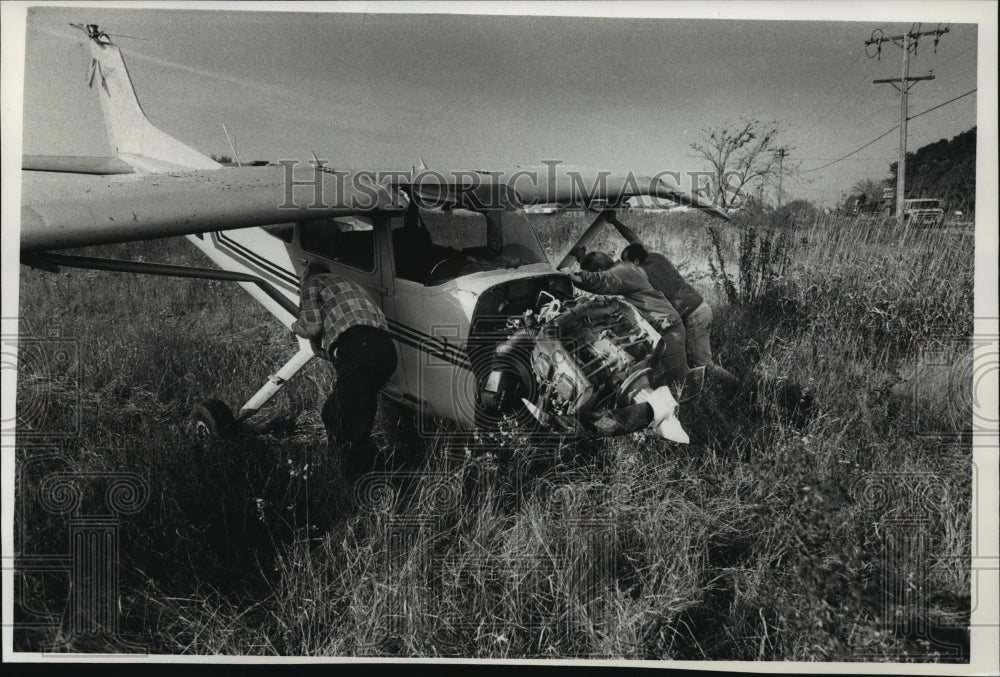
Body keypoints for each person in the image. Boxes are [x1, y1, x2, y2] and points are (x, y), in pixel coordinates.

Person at [291, 261, 399, 485]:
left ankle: (370, 483)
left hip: (357, 350)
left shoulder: (312, 282)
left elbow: (310, 327)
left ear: (305, 278)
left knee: (351, 428)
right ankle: (340, 460)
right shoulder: (349, 284)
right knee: (333, 411)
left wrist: (295, 325)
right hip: (385, 351)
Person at [614, 223, 739, 389]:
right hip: (700, 307)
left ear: (636, 261)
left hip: (693, 315)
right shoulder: (655, 255)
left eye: (627, 264)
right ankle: (708, 389)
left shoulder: (641, 273)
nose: (627, 268)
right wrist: (615, 222)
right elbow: (633, 239)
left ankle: (737, 386)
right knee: (692, 359)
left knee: (704, 363)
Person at [562, 250, 689, 384]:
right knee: (661, 378)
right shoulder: (623, 270)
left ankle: (693, 400)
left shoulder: (622, 271)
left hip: (667, 329)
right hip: (657, 328)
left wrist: (576, 277)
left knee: (677, 378)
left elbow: (604, 280)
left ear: (600, 270)